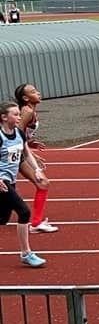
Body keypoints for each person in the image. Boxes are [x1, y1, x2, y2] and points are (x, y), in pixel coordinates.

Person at [0, 102, 46, 267]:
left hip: (11, 181)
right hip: (2, 182)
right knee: (24, 212)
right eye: (15, 114)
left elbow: (26, 153)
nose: (19, 117)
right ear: (4, 117)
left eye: (19, 114)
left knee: (2, 219)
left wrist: (37, 170)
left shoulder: (19, 133)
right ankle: (26, 253)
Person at [14, 84, 57, 233]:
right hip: (13, 154)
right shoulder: (27, 111)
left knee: (9, 188)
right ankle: (36, 223)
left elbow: (20, 133)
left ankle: (36, 222)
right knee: (43, 183)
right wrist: (29, 154)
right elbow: (15, 135)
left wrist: (30, 142)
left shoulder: (30, 111)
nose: (38, 93)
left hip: (18, 152)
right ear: (25, 98)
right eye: (33, 92)